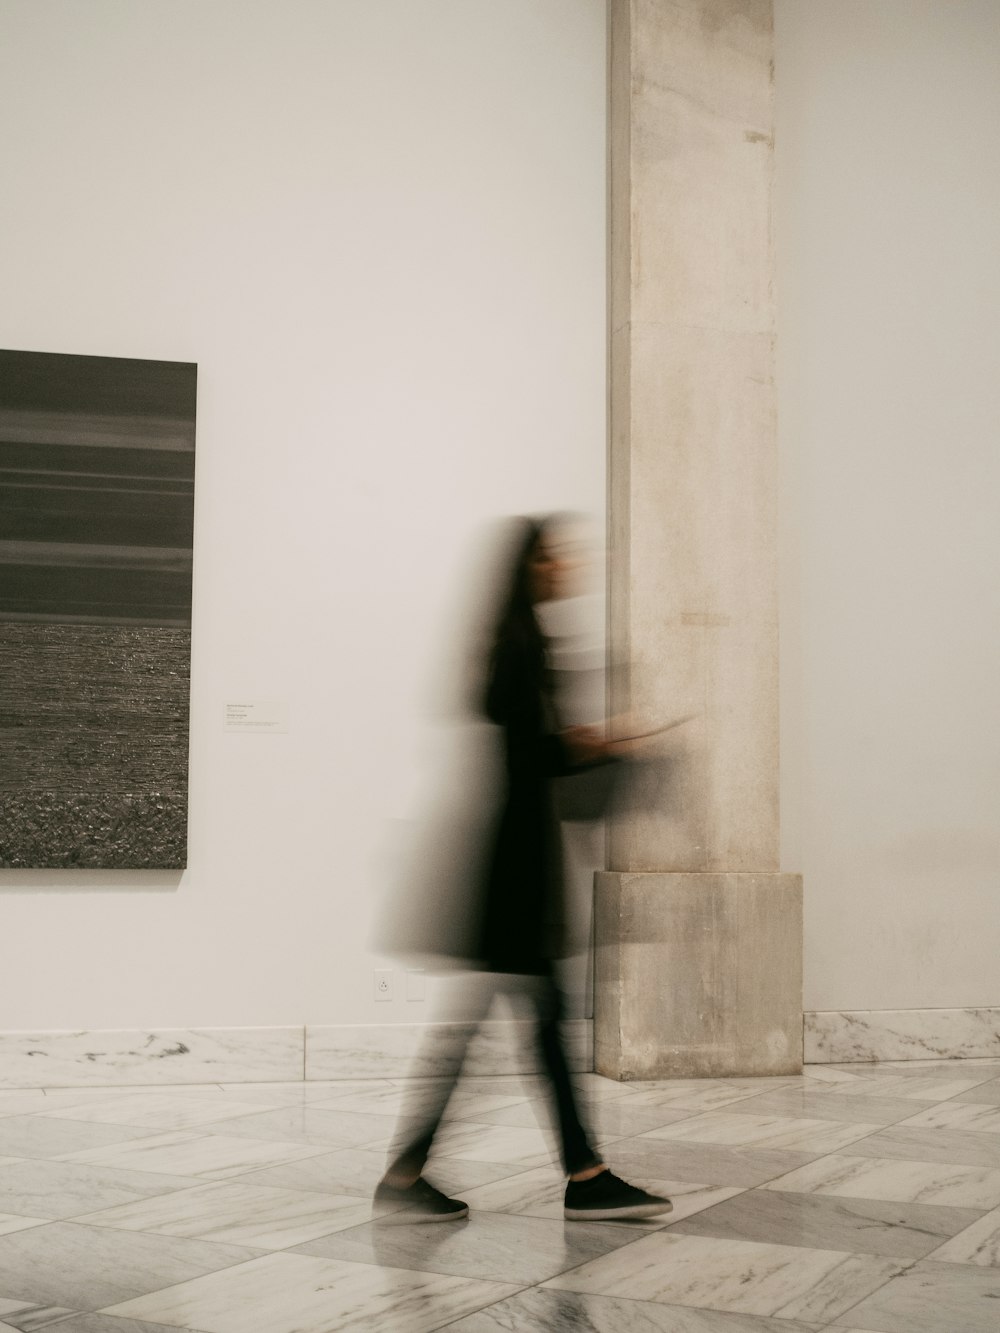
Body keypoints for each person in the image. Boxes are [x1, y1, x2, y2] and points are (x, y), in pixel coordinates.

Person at [373, 515, 673, 1223]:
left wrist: (583, 741)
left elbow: (527, 747)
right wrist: (592, 742)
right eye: (552, 557)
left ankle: (419, 1171)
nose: (565, 566)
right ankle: (578, 1173)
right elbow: (526, 757)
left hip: (515, 860)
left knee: (520, 1023)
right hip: (515, 866)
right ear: (528, 568)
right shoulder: (516, 649)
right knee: (533, 1022)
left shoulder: (526, 643)